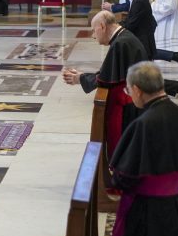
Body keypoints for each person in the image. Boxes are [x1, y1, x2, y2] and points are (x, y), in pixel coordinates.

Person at [105, 62, 178, 236]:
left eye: (129, 90)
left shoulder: (143, 124)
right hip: (173, 206)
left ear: (136, 89)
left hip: (145, 211)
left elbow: (124, 177)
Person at [62, 11, 147, 156]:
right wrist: (82, 77)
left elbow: (106, 80)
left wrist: (80, 79)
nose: (93, 35)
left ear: (102, 26)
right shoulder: (123, 38)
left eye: (94, 30)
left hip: (129, 107)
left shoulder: (120, 43)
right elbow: (109, 73)